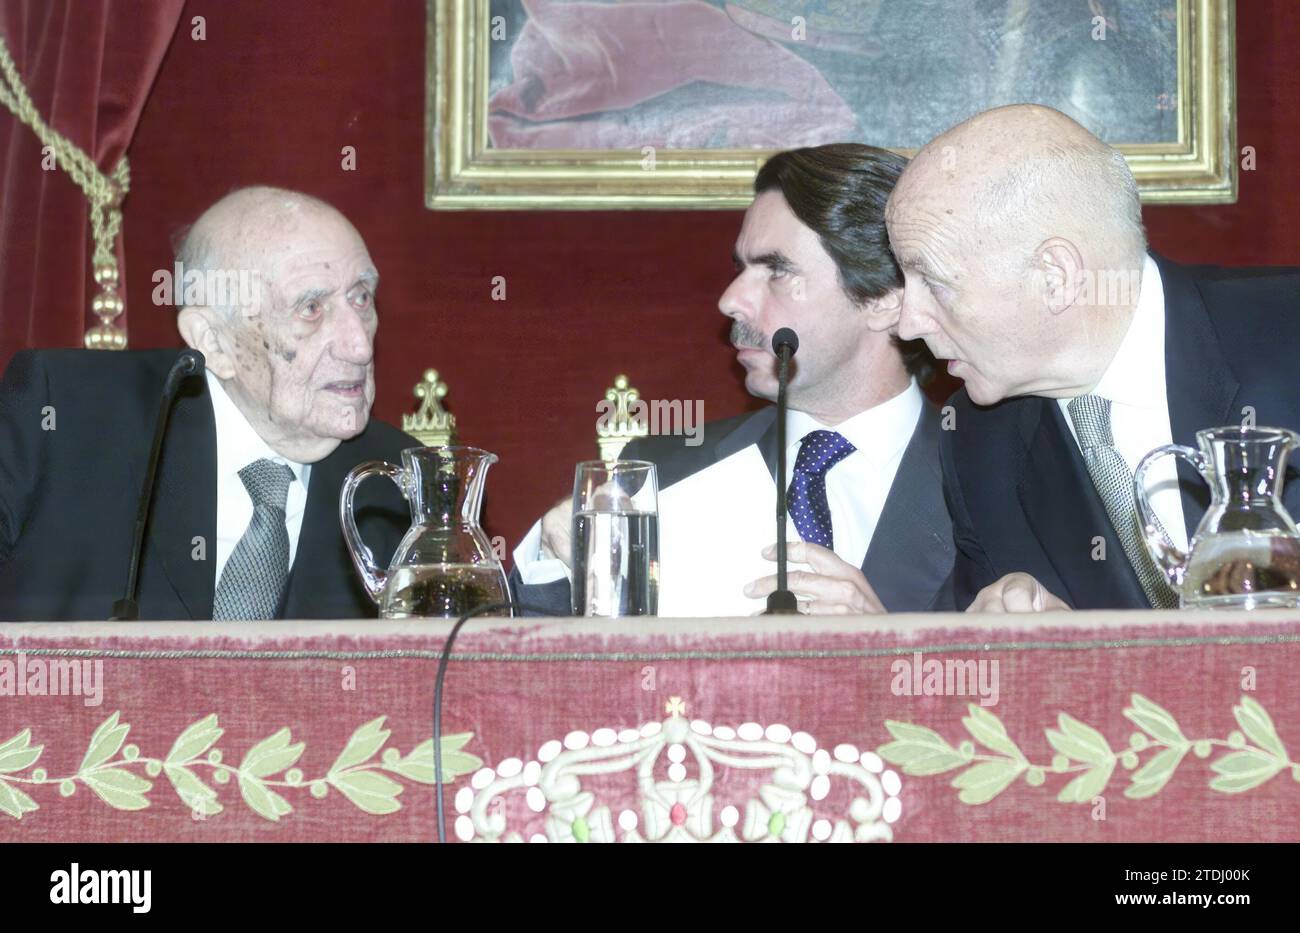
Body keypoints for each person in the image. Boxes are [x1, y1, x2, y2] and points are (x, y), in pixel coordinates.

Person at [883, 103, 1300, 612]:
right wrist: (1054, 650)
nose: (906, 323)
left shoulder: (1287, 331)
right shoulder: (979, 444)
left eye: (934, 282)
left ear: (1055, 276)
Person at [513, 144, 953, 615]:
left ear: (885, 297)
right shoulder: (662, 474)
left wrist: (884, 650)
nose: (729, 300)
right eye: (741, 268)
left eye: (776, 271)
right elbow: (556, 673)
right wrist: (554, 556)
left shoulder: (1001, 482)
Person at [0, 187, 415, 621]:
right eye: (310, 308)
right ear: (213, 341)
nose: (359, 345)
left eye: (361, 297)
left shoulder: (407, 488)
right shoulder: (59, 415)